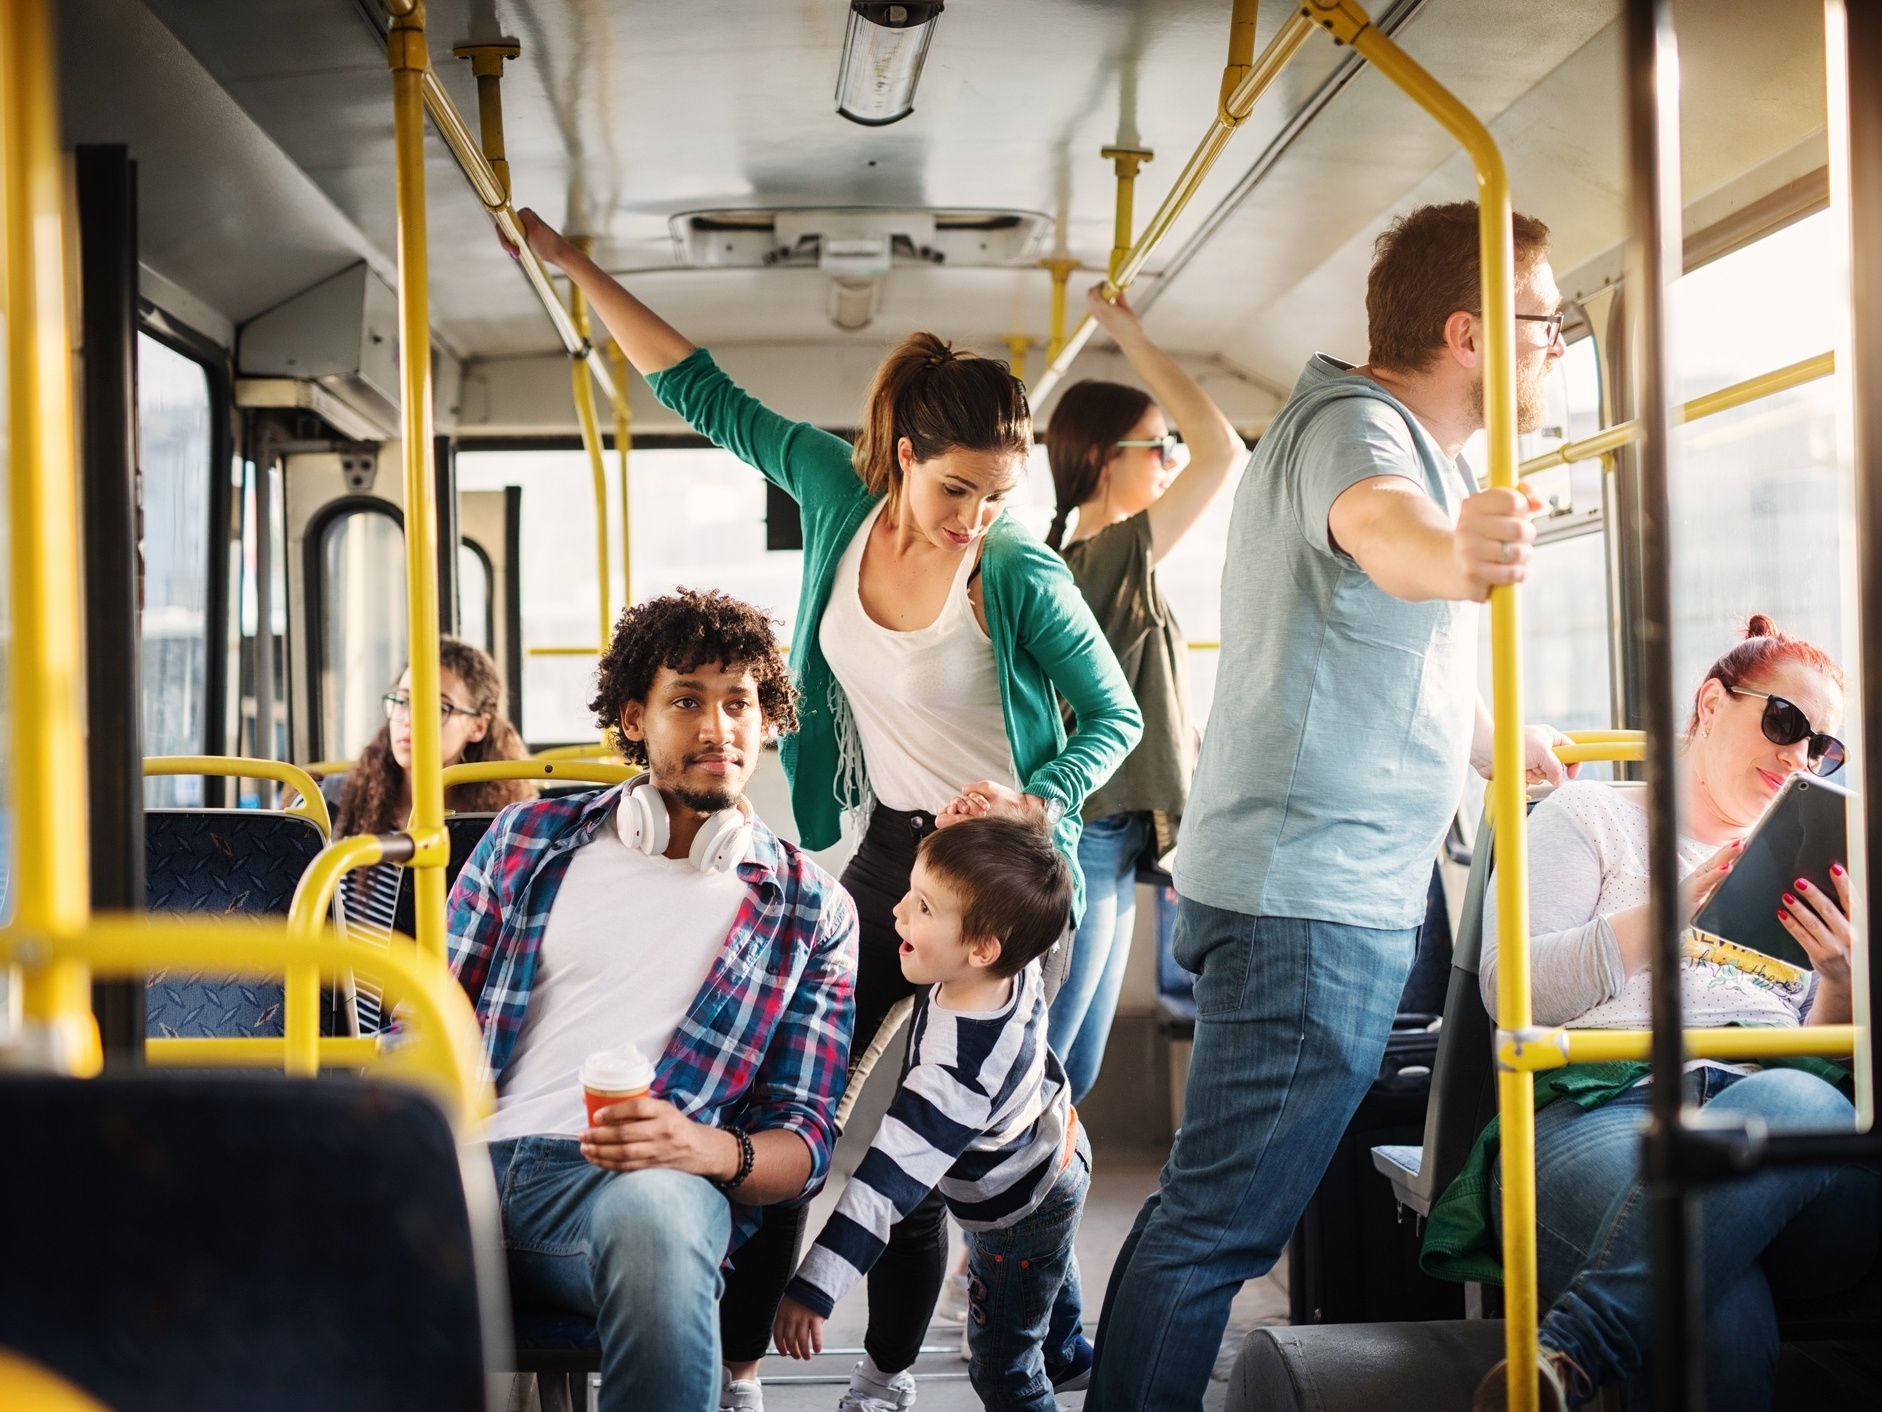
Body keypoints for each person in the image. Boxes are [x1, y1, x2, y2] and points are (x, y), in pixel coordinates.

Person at [509, 209, 1141, 1412]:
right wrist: (580, 268)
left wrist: (1040, 793)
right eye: (957, 488)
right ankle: (741, 1359)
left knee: (956, 1141)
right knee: (791, 1114)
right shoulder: (834, 493)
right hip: (890, 850)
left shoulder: (1014, 568)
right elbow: (701, 388)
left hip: (1001, 863)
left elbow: (1118, 718)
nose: (974, 519)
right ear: (900, 454)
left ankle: (901, 1372)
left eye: (997, 497)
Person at [1087, 201, 1574, 1411]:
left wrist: (1487, 739)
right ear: (1470, 333)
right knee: (1217, 1231)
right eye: (1544, 322)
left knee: (1203, 1210)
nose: (1556, 343)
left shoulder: (1397, 434)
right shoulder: (1361, 433)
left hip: (1298, 880)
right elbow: (1393, 544)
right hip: (1308, 901)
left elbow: (1371, 638)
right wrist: (1462, 553)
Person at [1440, 617, 1878, 1411]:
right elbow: (1512, 995)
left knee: (1802, 1100)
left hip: (1778, 1140)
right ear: (1712, 702)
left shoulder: (1806, 873)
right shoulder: (1590, 820)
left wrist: (1840, 980)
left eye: (1823, 749)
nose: (1798, 755)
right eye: (1784, 722)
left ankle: (1576, 1347)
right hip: (1607, 1111)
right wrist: (1669, 913)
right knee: (1714, 1297)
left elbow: (1811, 1059)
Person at [447, 590, 858, 1412]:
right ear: (634, 718)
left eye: (739, 703)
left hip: (633, 1189)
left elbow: (804, 1142)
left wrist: (707, 1151)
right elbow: (423, 1023)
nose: (718, 729)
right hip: (465, 1171)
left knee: (661, 1218)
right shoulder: (526, 841)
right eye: (687, 702)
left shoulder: (811, 910)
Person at [774, 818, 1090, 1412]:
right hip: (1054, 1148)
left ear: (982, 946)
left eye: (922, 905)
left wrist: (815, 1287)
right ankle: (1067, 1349)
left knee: (1005, 1368)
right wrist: (1008, 828)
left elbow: (883, 1188)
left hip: (1014, 1204)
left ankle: (1046, 1366)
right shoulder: (1012, 965)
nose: (896, 912)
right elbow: (1025, 890)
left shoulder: (952, 1079)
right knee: (1049, 1264)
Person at [1042, 284, 1244, 1103]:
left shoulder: (1099, 559)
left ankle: (1022, 1225)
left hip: (1119, 829)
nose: (1171, 462)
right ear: (1100, 458)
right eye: (1155, 446)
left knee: (1073, 1064)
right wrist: (1128, 333)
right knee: (1054, 1061)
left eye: (1168, 449)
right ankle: (998, 1224)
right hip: (1095, 827)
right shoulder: (1109, 554)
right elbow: (1223, 449)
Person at [329, 635, 535, 836]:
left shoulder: (504, 825)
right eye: (402, 701)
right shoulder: (336, 802)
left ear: (478, 726)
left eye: (437, 707)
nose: (408, 720)